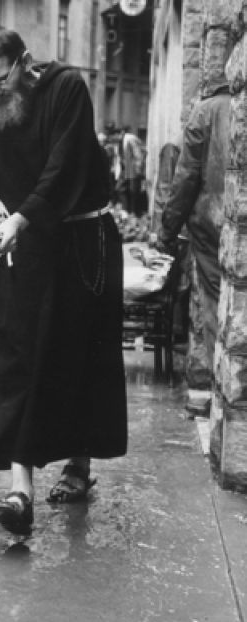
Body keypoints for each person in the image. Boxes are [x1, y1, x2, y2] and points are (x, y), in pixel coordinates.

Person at [0, 26, 127, 534]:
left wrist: (19, 219)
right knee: (15, 359)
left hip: (83, 242)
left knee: (76, 358)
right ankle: (20, 493)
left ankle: (79, 468)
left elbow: (64, 169)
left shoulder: (66, 89)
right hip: (27, 246)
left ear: (22, 64)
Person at [156, 58, 231, 412]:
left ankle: (223, 396)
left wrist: (167, 231)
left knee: (219, 311)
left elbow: (185, 178)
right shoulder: (232, 107)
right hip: (226, 224)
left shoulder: (205, 111)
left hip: (212, 229)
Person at [120, 125, 146, 215]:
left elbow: (138, 153)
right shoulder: (125, 139)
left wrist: (139, 169)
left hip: (133, 170)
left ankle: (135, 211)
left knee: (134, 191)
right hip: (129, 170)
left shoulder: (129, 139)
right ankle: (130, 210)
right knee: (129, 190)